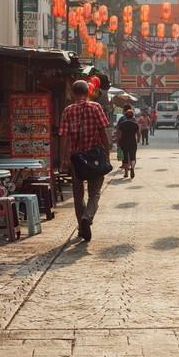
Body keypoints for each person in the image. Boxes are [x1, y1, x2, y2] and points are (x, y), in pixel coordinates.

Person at [60, 80, 111, 242]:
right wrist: (107, 152)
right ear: (88, 92)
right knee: (94, 193)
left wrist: (63, 158)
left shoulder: (68, 110)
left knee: (78, 194)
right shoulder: (95, 107)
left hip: (76, 159)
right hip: (95, 156)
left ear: (73, 93)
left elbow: (64, 137)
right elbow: (103, 131)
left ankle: (82, 227)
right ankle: (87, 217)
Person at [115, 105, 141, 179]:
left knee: (125, 157)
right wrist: (138, 140)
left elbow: (119, 134)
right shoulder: (135, 124)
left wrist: (118, 142)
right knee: (133, 157)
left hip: (124, 142)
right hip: (133, 142)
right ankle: (132, 168)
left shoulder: (122, 124)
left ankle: (126, 173)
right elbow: (138, 134)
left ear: (125, 116)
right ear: (133, 116)